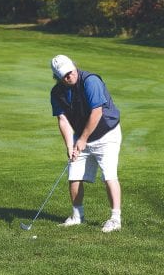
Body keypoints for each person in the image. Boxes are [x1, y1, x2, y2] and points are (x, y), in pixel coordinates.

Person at [50, 54, 122, 233]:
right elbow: (63, 119)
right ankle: (77, 215)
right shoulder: (57, 92)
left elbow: (96, 112)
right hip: (82, 136)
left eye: (70, 70)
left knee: (109, 175)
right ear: (57, 77)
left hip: (107, 134)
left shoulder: (90, 81)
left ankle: (115, 218)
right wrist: (70, 145)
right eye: (64, 74)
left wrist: (82, 140)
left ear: (74, 66)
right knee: (73, 175)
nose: (69, 75)